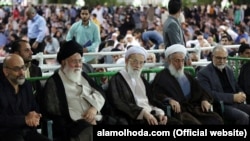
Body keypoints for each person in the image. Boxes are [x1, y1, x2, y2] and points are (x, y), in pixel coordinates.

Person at [42, 40, 109, 141]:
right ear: (64, 62)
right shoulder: (54, 82)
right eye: (74, 61)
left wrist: (94, 109)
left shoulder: (83, 76)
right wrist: (84, 120)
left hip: (95, 118)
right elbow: (54, 110)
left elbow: (100, 92)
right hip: (72, 126)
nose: (78, 65)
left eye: (80, 61)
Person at [151, 44, 223, 125]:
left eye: (182, 60)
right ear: (169, 61)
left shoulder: (187, 76)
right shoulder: (162, 76)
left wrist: (204, 100)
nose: (180, 64)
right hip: (178, 112)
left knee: (216, 119)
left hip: (193, 108)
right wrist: (169, 100)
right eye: (177, 61)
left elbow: (200, 91)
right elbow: (156, 94)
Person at [107, 46, 179, 125]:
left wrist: (160, 113)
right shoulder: (117, 79)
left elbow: (152, 99)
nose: (138, 66)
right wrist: (143, 113)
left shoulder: (141, 79)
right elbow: (119, 103)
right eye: (135, 61)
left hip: (150, 113)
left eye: (141, 62)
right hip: (131, 117)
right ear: (126, 61)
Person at [0, 54, 50, 141]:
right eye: (16, 69)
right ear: (6, 71)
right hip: (6, 133)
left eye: (23, 67)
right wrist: (24, 120)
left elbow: (34, 107)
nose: (22, 72)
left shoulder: (26, 85)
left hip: (27, 132)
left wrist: (35, 116)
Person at [196, 45, 250, 125]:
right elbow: (209, 94)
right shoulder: (204, 73)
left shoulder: (228, 69)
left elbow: (236, 86)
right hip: (220, 105)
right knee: (243, 117)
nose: (222, 61)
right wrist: (232, 98)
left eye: (224, 58)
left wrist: (241, 93)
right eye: (219, 58)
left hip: (235, 103)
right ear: (212, 57)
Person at [9, 39, 43, 105]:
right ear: (16, 53)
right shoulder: (5, 70)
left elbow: (39, 96)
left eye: (30, 49)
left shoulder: (36, 70)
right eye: (27, 50)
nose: (31, 52)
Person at [162, 0, 191, 66]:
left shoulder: (169, 22)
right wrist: (187, 58)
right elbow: (177, 45)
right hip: (175, 63)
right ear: (180, 10)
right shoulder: (172, 24)